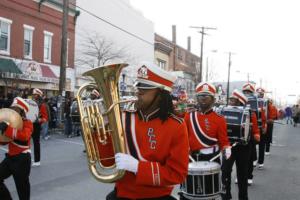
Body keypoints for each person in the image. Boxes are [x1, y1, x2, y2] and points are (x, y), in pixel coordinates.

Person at [106, 62, 189, 200]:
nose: (138, 91)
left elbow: (177, 174)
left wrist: (138, 167)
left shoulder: (176, 126)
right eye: (138, 86)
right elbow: (108, 161)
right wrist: (98, 130)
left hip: (157, 196)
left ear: (161, 95)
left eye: (145, 88)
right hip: (122, 194)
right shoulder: (123, 117)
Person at [180, 82, 231, 200]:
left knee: (209, 193)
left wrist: (227, 153)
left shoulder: (220, 119)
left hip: (212, 158)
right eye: (201, 95)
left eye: (207, 96)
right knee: (188, 192)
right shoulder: (188, 116)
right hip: (191, 158)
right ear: (197, 98)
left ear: (213, 99)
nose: (203, 98)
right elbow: (183, 138)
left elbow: (224, 141)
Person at [222, 90, 260, 200]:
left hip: (244, 147)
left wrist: (256, 135)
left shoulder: (250, 113)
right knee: (225, 170)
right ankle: (226, 195)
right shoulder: (224, 111)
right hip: (228, 146)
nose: (230, 102)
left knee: (242, 174)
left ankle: (243, 197)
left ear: (240, 102)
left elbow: (256, 131)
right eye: (230, 100)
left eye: (233, 100)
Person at [0, 97, 33, 200]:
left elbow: (24, 137)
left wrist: (7, 128)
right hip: (11, 158)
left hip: (22, 159)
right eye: (12, 108)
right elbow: (4, 141)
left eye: (15, 109)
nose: (12, 111)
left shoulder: (27, 123)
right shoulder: (9, 122)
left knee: (23, 191)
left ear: (21, 111)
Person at [242, 83, 266, 183]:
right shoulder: (239, 101)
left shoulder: (259, 102)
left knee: (250, 154)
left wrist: (263, 126)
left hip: (253, 130)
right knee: (241, 156)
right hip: (241, 131)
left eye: (249, 92)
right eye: (245, 92)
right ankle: (241, 175)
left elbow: (263, 116)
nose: (247, 94)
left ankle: (249, 176)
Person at [31, 88, 48, 167]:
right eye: (33, 95)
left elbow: (45, 118)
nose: (34, 96)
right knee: (25, 142)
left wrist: (39, 120)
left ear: (39, 96)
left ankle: (37, 160)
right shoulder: (31, 103)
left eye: (35, 95)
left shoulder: (42, 105)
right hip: (29, 124)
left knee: (36, 143)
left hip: (36, 125)